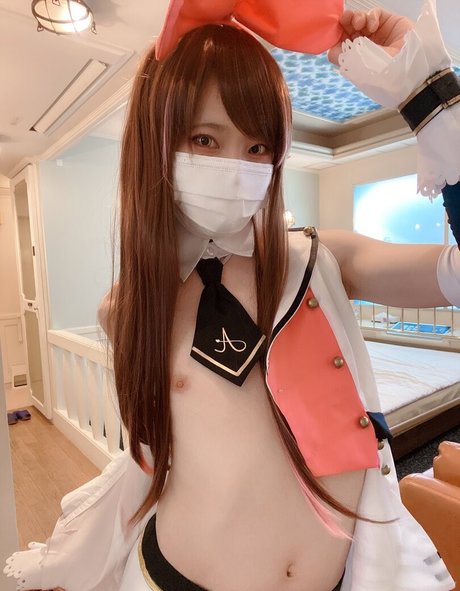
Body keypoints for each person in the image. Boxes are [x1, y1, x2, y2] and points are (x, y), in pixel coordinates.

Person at [4, 0, 460, 589]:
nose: (236, 167)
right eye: (204, 138)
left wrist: (429, 93)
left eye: (258, 147)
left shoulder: (322, 260)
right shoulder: (129, 310)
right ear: (156, 144)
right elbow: (160, 457)